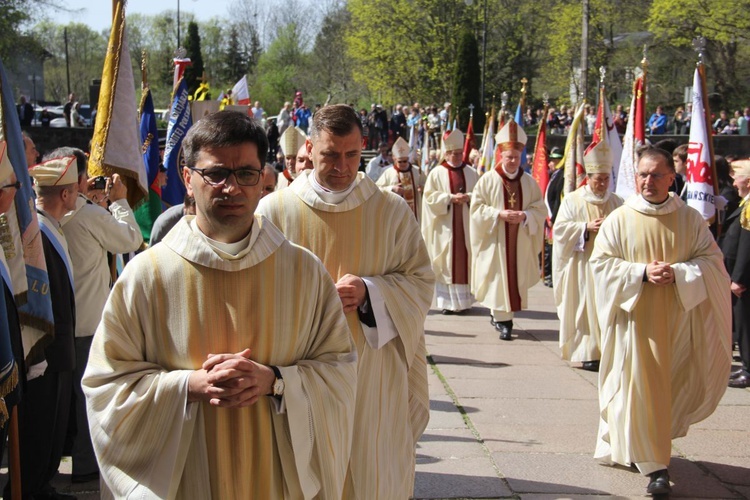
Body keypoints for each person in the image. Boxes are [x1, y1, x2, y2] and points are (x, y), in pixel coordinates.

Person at [82, 110, 356, 498]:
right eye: (216, 174)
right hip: (187, 480)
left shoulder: (304, 272)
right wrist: (187, 387)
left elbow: (340, 371)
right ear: (187, 179)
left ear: (263, 179)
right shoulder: (147, 276)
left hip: (274, 481)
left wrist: (276, 380)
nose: (232, 187)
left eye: (246, 173)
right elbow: (106, 385)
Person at [257, 104, 433, 499]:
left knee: (370, 471)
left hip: (374, 373)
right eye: (330, 155)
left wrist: (372, 291)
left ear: (364, 149)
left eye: (352, 155)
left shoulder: (391, 212)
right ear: (309, 147)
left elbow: (421, 281)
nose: (341, 166)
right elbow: (254, 289)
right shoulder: (274, 212)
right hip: (303, 371)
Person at [590, 146, 732, 496]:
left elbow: (712, 263)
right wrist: (640, 272)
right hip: (634, 323)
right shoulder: (620, 219)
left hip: (678, 323)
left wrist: (679, 273)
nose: (648, 181)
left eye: (656, 174)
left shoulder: (690, 219)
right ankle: (656, 466)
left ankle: (646, 447)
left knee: (666, 389)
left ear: (672, 177)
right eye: (642, 174)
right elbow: (600, 265)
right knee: (637, 388)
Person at [60, 149, 144, 484]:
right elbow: (131, 239)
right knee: (88, 399)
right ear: (77, 181)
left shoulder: (58, 213)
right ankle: (84, 466)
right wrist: (120, 202)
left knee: (64, 401)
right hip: (87, 324)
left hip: (63, 320)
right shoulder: (88, 215)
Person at [8, 157, 78, 500]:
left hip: (56, 346)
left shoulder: (49, 228)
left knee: (53, 424)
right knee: (40, 424)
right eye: (75, 190)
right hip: (43, 348)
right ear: (65, 195)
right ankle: (30, 487)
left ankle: (41, 484)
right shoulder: (37, 235)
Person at [469, 119, 546, 339]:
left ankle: (499, 315)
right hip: (496, 240)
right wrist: (498, 214)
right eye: (508, 156)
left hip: (519, 241)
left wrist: (525, 215)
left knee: (512, 279)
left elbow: (539, 209)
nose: (512, 161)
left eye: (516, 157)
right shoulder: (487, 181)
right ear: (500, 156)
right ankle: (504, 321)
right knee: (497, 279)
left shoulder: (529, 183)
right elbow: (476, 209)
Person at [552, 141, 623, 371]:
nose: (602, 184)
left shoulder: (617, 202)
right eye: (597, 179)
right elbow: (560, 231)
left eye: (606, 179)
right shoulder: (573, 200)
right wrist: (585, 228)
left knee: (608, 307)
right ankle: (589, 352)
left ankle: (608, 350)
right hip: (583, 264)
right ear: (588, 177)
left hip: (610, 267)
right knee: (586, 307)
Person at [421, 129, 478, 314]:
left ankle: (465, 302)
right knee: (447, 261)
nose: (456, 156)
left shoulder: (471, 172)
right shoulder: (437, 173)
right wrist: (449, 199)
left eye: (459, 153)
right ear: (446, 154)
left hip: (466, 224)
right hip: (445, 226)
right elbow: (429, 198)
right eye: (452, 153)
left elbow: (480, 196)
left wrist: (468, 197)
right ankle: (447, 303)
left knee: (464, 259)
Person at [721, 159, 750, 388]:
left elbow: (747, 246)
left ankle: (749, 370)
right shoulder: (744, 203)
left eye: (737, 177)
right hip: (737, 275)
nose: (733, 181)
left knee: (745, 324)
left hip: (744, 279)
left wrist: (739, 278)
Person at [376, 136, 424, 221]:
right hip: (396, 214)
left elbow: (427, 187)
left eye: (405, 161)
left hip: (415, 213)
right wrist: (392, 188)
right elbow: (377, 189)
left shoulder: (417, 171)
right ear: (394, 159)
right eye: (400, 161)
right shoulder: (389, 173)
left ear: (408, 159)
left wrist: (422, 188)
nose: (402, 164)